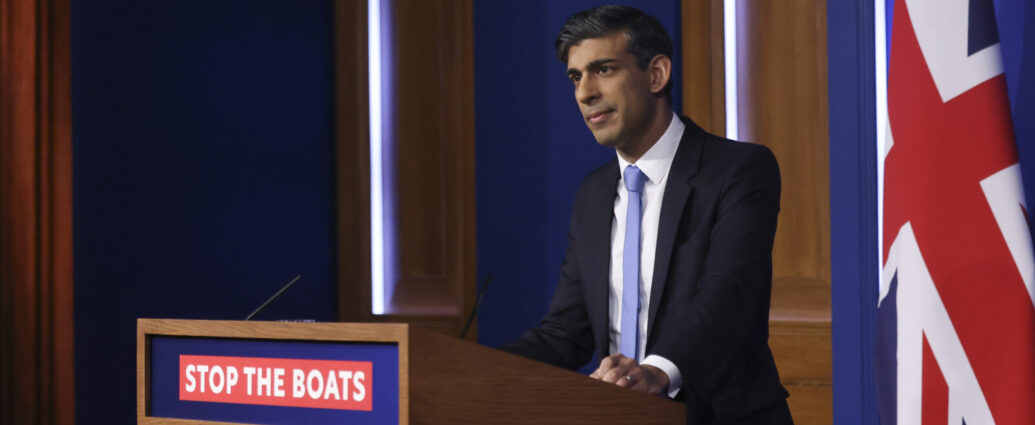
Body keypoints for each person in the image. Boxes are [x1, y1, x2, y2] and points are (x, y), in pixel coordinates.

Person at [499, 5, 793, 424]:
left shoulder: (738, 171)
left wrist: (657, 371)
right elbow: (565, 333)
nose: (584, 93)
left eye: (603, 70)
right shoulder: (593, 194)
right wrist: (465, 368)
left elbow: (728, 295)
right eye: (576, 77)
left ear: (656, 74)